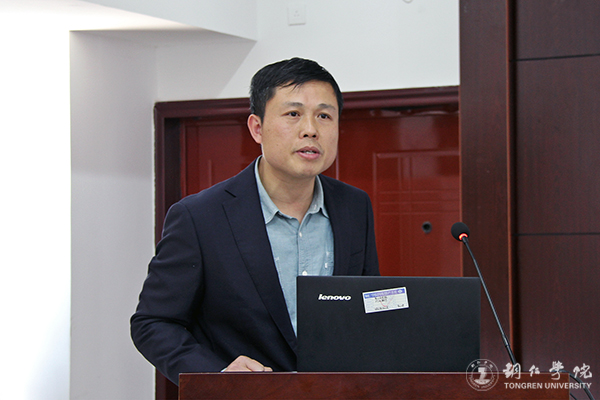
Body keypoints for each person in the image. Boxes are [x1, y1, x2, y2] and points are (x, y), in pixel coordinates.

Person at [130, 57, 380, 384]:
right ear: (257, 128)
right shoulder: (200, 216)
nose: (311, 129)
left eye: (324, 116)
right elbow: (153, 322)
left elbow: (366, 306)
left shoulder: (354, 206)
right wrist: (218, 376)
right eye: (293, 114)